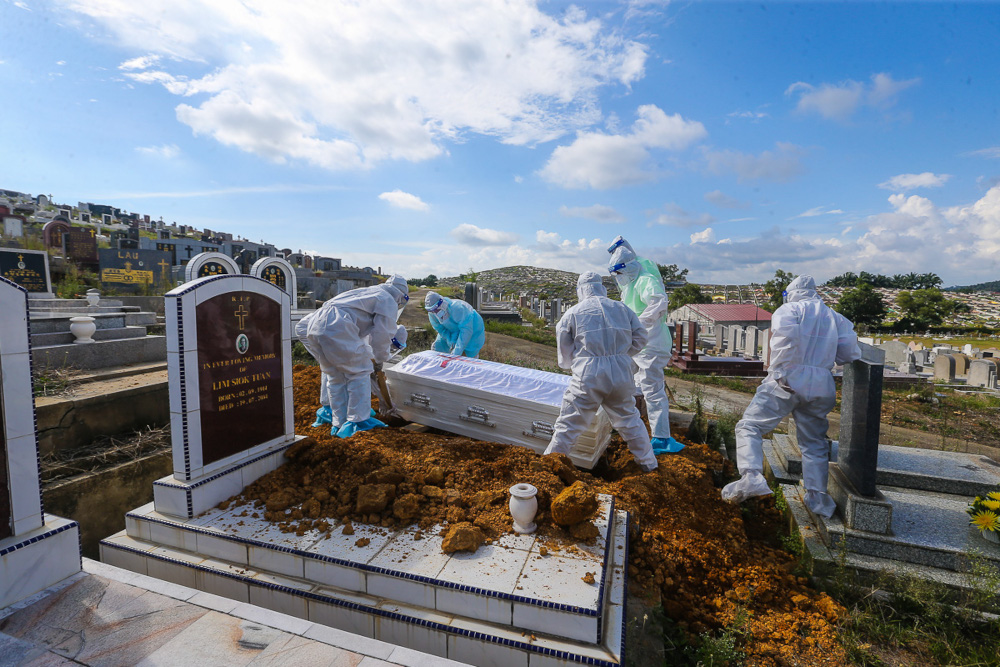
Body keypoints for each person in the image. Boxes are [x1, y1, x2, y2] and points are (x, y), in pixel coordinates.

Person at [721, 275, 861, 518]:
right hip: (821, 383)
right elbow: (849, 354)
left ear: (791, 293)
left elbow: (783, 342)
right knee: (814, 443)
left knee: (749, 426)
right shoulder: (836, 317)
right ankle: (818, 500)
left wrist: (778, 373)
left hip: (788, 377)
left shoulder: (789, 310)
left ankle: (752, 477)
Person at [544, 272, 658, 472]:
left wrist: (582, 362)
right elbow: (641, 337)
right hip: (621, 373)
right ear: (601, 287)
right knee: (630, 420)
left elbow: (564, 357)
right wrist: (620, 355)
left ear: (581, 290)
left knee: (569, 424)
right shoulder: (622, 308)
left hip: (589, 374)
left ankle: (549, 467)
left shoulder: (572, 313)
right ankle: (649, 465)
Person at [301, 274, 409, 438]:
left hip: (316, 325)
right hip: (338, 326)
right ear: (401, 295)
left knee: (335, 376)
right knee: (360, 373)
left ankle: (340, 422)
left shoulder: (367, 292)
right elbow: (383, 334)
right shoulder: (387, 299)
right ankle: (358, 422)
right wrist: (380, 359)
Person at [608, 240, 684, 454]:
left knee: (652, 389)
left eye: (619, 274)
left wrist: (636, 326)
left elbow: (657, 304)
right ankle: (626, 427)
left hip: (650, 344)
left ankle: (661, 438)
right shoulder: (631, 283)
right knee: (625, 381)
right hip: (637, 344)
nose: (619, 279)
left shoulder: (646, 280)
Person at [424, 290, 486, 357]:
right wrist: (450, 340)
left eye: (436, 308)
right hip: (451, 330)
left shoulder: (458, 308)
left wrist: (456, 352)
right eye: (431, 310)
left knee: (467, 354)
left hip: (473, 328)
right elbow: (440, 329)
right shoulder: (432, 314)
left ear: (441, 303)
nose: (435, 312)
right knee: (438, 347)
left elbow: (466, 331)